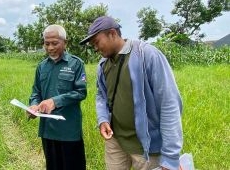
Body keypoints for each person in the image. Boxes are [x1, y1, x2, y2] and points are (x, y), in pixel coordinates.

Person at [80, 16, 183, 170]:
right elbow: (101, 95)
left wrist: (170, 157)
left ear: (112, 33)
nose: (95, 48)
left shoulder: (147, 55)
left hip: (146, 148)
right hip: (115, 141)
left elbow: (169, 104)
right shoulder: (103, 65)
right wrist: (103, 119)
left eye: (96, 42)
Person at [28, 24, 87, 170]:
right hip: (48, 130)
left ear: (65, 42)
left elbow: (81, 92)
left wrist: (55, 101)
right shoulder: (42, 66)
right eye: (46, 43)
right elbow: (36, 92)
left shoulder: (76, 64)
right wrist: (34, 105)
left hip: (69, 130)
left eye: (55, 43)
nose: (50, 48)